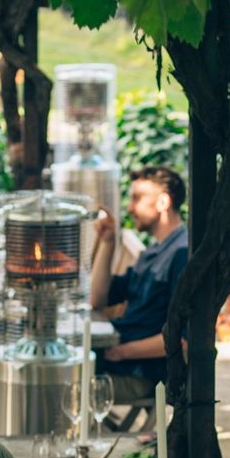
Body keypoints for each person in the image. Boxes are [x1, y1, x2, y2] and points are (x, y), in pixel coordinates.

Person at [91, 165, 188, 400]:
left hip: (142, 374)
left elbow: (184, 340)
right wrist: (108, 243)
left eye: (137, 198)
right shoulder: (155, 251)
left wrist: (121, 352)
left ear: (163, 202)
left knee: (59, 386)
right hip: (117, 362)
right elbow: (97, 298)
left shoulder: (182, 253)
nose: (130, 208)